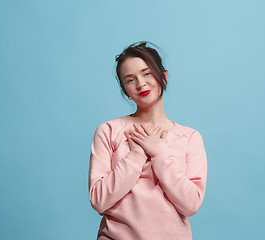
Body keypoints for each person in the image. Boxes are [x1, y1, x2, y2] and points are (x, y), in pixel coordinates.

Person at [88, 41, 207, 240]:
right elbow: (99, 201)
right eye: (130, 79)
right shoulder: (108, 131)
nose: (141, 83)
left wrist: (159, 153)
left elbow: (190, 204)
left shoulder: (189, 137)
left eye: (147, 73)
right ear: (125, 90)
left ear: (164, 76)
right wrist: (136, 155)